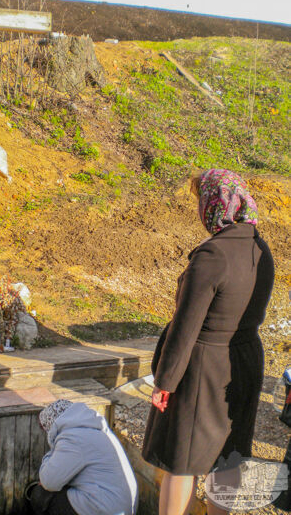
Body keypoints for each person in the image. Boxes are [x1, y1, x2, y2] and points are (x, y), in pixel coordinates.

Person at [142, 168, 275, 515]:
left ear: (214, 204)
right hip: (245, 360)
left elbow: (186, 326)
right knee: (228, 455)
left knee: (181, 460)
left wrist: (165, 381)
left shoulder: (212, 254)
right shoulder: (261, 249)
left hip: (203, 365)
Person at [27, 399, 138, 515]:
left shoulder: (73, 438)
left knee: (40, 495)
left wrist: (51, 452)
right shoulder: (96, 429)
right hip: (120, 506)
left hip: (105, 508)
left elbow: (48, 482)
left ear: (53, 425)